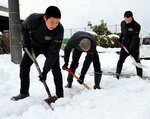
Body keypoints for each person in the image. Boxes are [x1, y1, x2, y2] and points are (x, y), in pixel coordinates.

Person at [11, 6, 64, 100]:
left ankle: (60, 96)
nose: (54, 25)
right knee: (24, 66)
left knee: (56, 68)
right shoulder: (33, 20)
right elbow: (23, 27)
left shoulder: (59, 30)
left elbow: (53, 52)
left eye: (57, 22)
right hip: (33, 46)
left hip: (49, 48)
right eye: (52, 22)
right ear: (45, 18)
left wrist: (45, 71)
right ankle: (24, 92)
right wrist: (26, 43)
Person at [116, 11, 143, 79]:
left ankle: (139, 77)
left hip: (134, 47)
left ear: (132, 18)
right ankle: (117, 75)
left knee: (137, 62)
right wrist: (120, 38)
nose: (127, 21)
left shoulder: (136, 26)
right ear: (124, 18)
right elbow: (123, 32)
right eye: (126, 19)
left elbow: (135, 38)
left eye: (129, 20)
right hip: (125, 46)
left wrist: (131, 48)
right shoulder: (122, 23)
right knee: (120, 61)